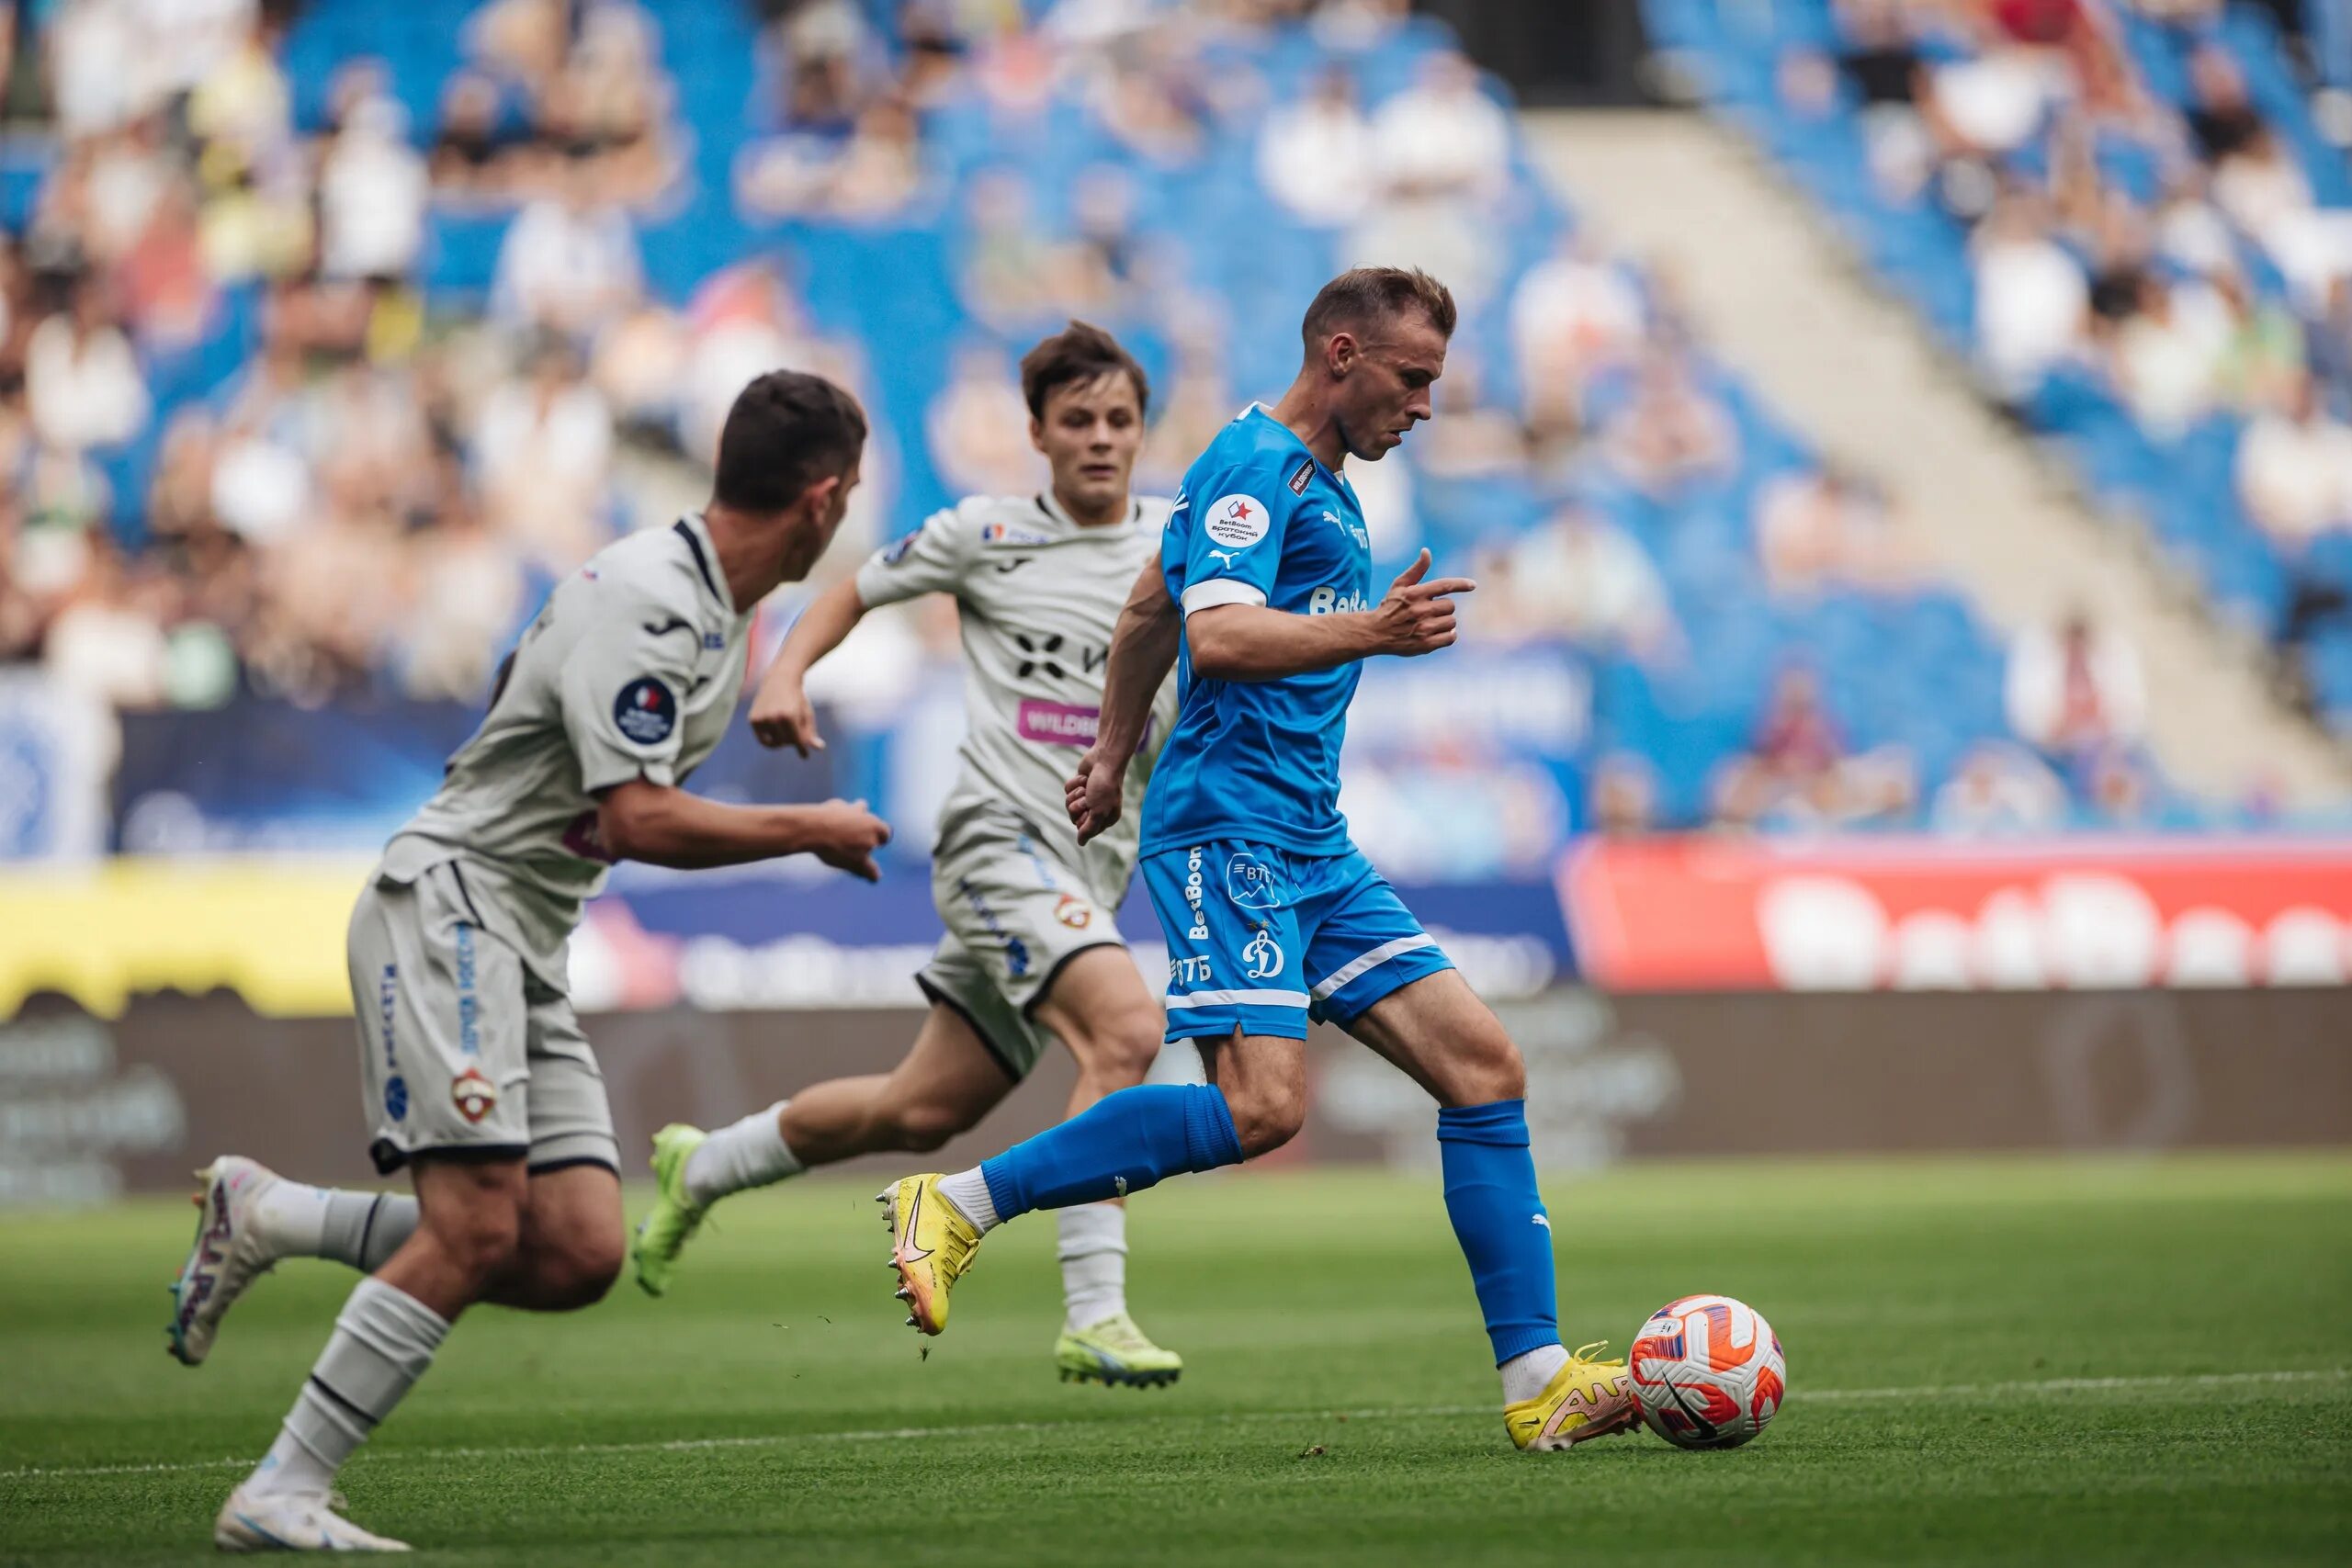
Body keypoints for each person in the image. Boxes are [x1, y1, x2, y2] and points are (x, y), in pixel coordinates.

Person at [875, 267, 1639, 1453]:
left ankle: (1539, 1380)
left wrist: (1112, 748)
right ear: (1341, 354)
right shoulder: (1255, 468)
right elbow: (1216, 630)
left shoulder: (1315, 481)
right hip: (1229, 828)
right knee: (1263, 1106)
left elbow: (1144, 610)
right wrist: (1374, 631)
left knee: (1484, 1064)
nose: (1427, 405)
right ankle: (960, 1202)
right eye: (1413, 377)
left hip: (1308, 835)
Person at [165, 371, 891, 1553]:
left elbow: (533, 699)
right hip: (450, 907)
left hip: (523, 930)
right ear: (821, 500)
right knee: (474, 1228)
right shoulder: (656, 600)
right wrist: (807, 827)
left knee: (574, 1250)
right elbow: (642, 820)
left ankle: (271, 1213)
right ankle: (281, 1489)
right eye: (849, 494)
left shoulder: (707, 601)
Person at [628, 321, 1187, 1388]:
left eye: (1119, 420)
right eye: (1078, 421)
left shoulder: (1181, 547)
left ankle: (702, 1166)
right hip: (997, 843)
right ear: (1035, 432)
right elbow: (850, 589)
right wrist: (784, 674)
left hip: (1086, 875)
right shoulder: (982, 532)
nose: (1102, 440)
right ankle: (1096, 1312)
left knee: (917, 1109)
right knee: (1124, 1027)